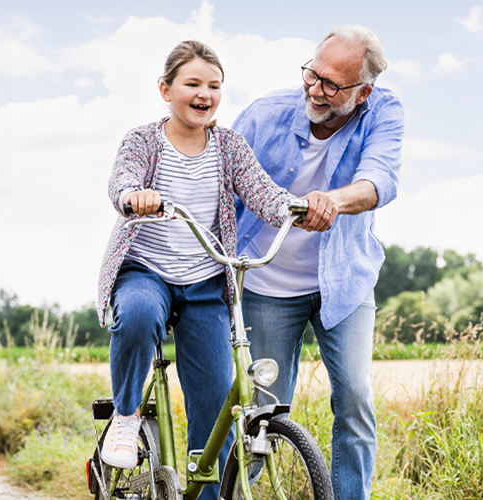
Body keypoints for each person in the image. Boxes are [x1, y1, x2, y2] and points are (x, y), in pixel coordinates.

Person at [93, 40, 334, 499]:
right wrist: (133, 196)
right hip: (147, 271)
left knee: (217, 397)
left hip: (206, 281)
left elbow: (261, 191)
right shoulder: (142, 141)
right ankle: (125, 417)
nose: (205, 94)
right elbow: (123, 179)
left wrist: (295, 209)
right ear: (166, 90)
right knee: (138, 314)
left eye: (214, 86)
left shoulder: (228, 145)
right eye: (193, 84)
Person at [230, 25, 402, 499]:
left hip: (343, 281)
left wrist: (332, 201)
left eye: (332, 84)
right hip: (266, 283)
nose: (316, 90)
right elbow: (218, 181)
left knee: (355, 398)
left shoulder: (383, 112)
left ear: (363, 92)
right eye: (312, 74)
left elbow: (380, 179)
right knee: (262, 409)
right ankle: (236, 492)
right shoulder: (264, 114)